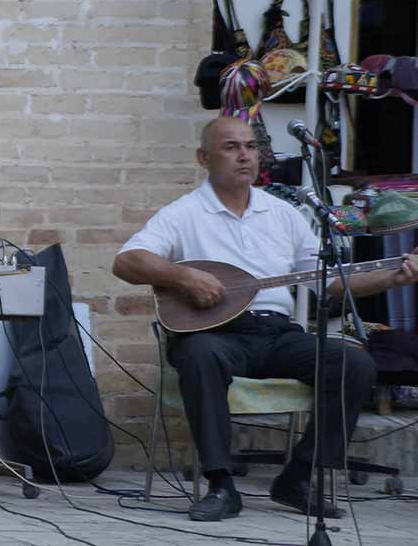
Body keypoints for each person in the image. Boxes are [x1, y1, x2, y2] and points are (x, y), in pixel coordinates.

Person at [112, 116, 416, 522]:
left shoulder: (284, 213)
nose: (244, 156)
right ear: (204, 157)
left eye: (251, 147)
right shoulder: (182, 213)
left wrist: (393, 276)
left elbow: (331, 284)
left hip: (277, 333)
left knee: (354, 362)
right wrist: (181, 275)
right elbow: (127, 261)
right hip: (215, 332)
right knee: (199, 356)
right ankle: (221, 485)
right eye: (231, 147)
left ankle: (299, 476)